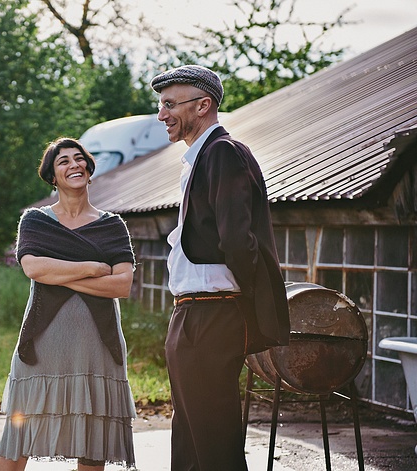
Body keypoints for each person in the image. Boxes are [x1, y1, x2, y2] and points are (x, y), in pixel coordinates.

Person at [149, 65, 290, 471]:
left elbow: (236, 239)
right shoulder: (197, 159)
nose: (162, 115)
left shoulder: (223, 152)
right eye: (161, 105)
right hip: (192, 311)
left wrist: (245, 302)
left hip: (215, 312)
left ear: (203, 105)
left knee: (214, 441)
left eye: (170, 104)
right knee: (190, 436)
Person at [0, 137, 137, 471]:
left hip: (97, 350)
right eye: (63, 161)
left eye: (79, 159)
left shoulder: (112, 226)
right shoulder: (35, 220)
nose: (74, 164)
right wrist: (90, 268)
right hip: (43, 347)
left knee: (92, 444)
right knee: (19, 436)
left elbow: (122, 284)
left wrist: (59, 274)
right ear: (52, 177)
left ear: (89, 170)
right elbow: (33, 267)